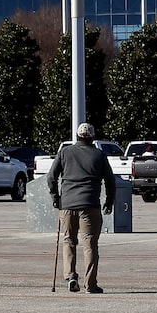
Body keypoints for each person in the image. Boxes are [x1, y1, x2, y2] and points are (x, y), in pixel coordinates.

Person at [52, 121, 112, 294]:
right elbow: (110, 181)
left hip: (68, 204)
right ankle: (90, 284)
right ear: (93, 137)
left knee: (69, 240)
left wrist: (55, 197)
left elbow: (51, 177)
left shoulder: (64, 152)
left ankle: (70, 276)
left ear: (77, 136)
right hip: (90, 205)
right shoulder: (99, 155)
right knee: (90, 244)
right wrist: (109, 201)